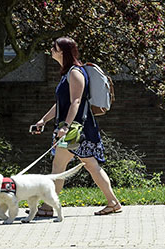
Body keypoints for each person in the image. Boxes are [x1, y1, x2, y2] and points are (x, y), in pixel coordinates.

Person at [29, 37, 122, 216]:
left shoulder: (75, 73)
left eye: (54, 47)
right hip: (76, 128)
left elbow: (76, 101)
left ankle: (48, 207)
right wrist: (43, 120)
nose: (51, 50)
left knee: (60, 167)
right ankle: (113, 202)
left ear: (62, 51)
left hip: (77, 130)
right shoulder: (67, 73)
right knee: (88, 166)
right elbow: (61, 104)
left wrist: (65, 126)